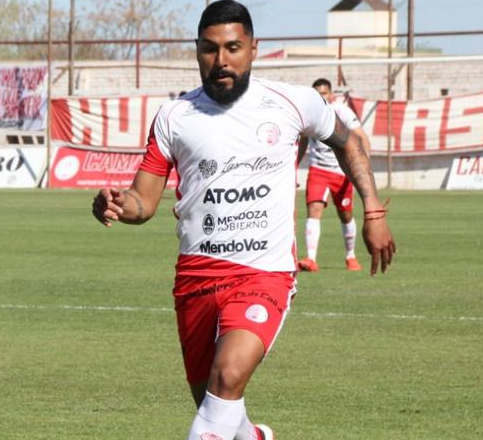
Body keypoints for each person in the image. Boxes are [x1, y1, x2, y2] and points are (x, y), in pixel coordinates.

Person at [91, 2, 396, 440]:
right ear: (197, 51)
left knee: (227, 377)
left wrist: (373, 211)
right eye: (210, 50)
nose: (222, 61)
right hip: (196, 276)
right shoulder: (174, 118)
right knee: (216, 402)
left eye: (233, 48)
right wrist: (118, 204)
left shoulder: (294, 102)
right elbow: (144, 201)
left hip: (263, 273)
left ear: (253, 49)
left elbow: (348, 143)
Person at [296, 78, 373, 272]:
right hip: (318, 169)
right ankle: (311, 259)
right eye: (317, 93)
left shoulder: (342, 111)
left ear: (330, 94)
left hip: (341, 170)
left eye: (323, 93)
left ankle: (351, 256)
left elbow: (361, 137)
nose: (320, 97)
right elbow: (303, 142)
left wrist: (364, 167)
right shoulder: (308, 113)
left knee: (345, 214)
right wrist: (293, 167)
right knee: (313, 208)